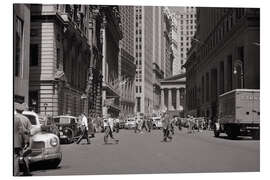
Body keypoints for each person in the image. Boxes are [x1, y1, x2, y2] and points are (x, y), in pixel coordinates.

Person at [14, 102, 32, 176]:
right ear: (22, 111)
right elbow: (28, 131)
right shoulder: (25, 119)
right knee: (24, 155)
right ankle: (25, 171)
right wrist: (26, 140)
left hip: (15, 140)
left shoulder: (14, 118)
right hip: (20, 140)